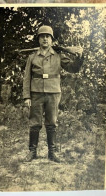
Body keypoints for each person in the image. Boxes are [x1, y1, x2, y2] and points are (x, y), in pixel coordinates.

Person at [23, 25, 83, 162]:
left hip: (53, 92)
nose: (45, 39)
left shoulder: (58, 56)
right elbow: (27, 78)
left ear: (51, 40)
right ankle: (32, 152)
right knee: (34, 123)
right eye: (42, 36)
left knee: (52, 123)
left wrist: (79, 58)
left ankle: (52, 153)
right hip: (36, 93)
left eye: (47, 36)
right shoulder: (32, 57)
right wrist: (26, 96)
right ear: (39, 39)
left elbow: (73, 68)